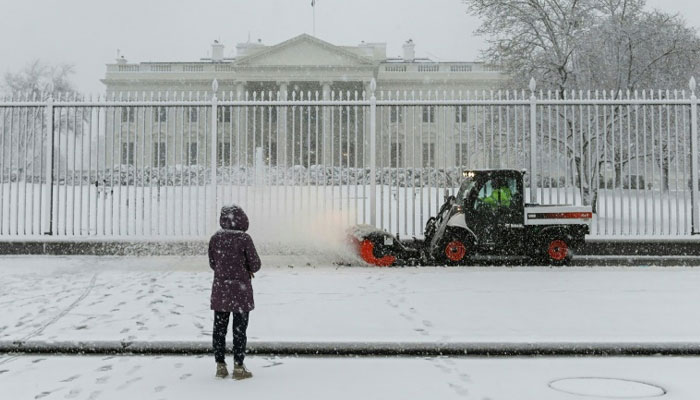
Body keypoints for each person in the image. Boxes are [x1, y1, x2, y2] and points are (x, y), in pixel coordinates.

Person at [209, 205, 261, 380]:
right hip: (240, 291)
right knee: (239, 330)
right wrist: (244, 268)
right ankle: (239, 367)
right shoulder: (244, 239)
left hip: (221, 291)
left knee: (219, 329)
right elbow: (255, 265)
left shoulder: (216, 238)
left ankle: (220, 366)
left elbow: (212, 263)